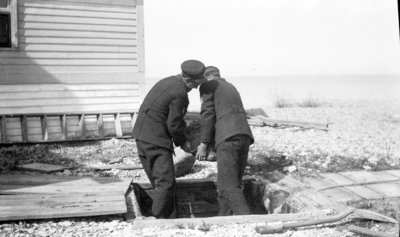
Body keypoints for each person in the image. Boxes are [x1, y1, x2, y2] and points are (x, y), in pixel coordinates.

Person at [132, 59, 207, 218]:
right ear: (187, 79)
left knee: (159, 182)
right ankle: (158, 222)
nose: (195, 88)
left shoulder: (167, 81)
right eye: (194, 85)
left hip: (141, 136)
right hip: (156, 141)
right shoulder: (180, 93)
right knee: (166, 183)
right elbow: (174, 123)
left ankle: (170, 217)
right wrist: (183, 142)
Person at [196, 66, 254, 216]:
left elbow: (208, 114)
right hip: (244, 136)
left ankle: (249, 220)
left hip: (228, 138)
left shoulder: (208, 86)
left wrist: (204, 143)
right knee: (231, 184)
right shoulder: (231, 86)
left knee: (227, 186)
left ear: (206, 77)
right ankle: (223, 219)